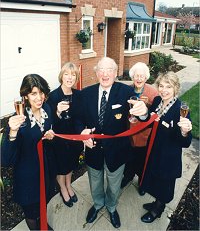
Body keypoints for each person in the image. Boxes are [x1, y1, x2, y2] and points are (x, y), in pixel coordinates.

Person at [76, 57, 147, 229]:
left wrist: (143, 111)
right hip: (93, 150)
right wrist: (82, 132)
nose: (105, 73)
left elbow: (138, 113)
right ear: (96, 73)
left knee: (114, 185)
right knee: (95, 181)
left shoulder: (124, 92)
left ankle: (112, 207)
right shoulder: (86, 93)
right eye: (101, 69)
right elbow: (78, 118)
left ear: (116, 73)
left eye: (109, 70)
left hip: (117, 151)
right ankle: (98, 204)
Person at [1, 74, 55, 230]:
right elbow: (5, 160)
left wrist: (49, 136)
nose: (39, 98)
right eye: (34, 93)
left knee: (43, 202)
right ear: (25, 96)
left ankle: (43, 222)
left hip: (45, 170)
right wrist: (12, 132)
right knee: (31, 212)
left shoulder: (47, 109)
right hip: (27, 176)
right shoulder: (18, 121)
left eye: (42, 92)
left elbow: (47, 133)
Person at [140, 71, 192, 223]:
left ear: (176, 88)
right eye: (161, 86)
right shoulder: (157, 101)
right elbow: (149, 118)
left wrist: (184, 132)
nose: (163, 90)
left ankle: (158, 209)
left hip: (168, 157)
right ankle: (156, 202)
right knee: (154, 179)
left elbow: (186, 142)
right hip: (153, 150)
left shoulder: (181, 110)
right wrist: (142, 113)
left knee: (164, 185)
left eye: (168, 86)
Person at [47, 62, 83, 208]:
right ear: (62, 76)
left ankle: (68, 184)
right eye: (67, 74)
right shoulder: (53, 96)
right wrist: (57, 112)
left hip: (74, 139)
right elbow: (48, 121)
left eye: (73, 75)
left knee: (70, 164)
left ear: (76, 78)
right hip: (59, 140)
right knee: (61, 166)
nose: (70, 77)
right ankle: (62, 188)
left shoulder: (78, 95)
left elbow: (80, 117)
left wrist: (80, 133)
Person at [121, 62, 158, 193]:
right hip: (129, 132)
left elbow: (156, 113)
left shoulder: (153, 92)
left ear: (146, 77)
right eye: (136, 75)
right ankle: (128, 177)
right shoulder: (127, 90)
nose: (139, 78)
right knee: (129, 158)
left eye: (142, 76)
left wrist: (147, 104)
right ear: (132, 77)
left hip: (144, 134)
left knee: (143, 161)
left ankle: (142, 182)